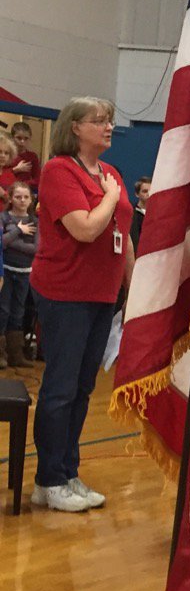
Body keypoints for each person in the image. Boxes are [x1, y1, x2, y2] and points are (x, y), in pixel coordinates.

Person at [29, 97, 134, 512]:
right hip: (64, 292)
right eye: (99, 121)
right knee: (60, 387)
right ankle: (48, 479)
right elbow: (87, 228)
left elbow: (122, 236)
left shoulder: (111, 173)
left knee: (83, 388)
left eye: (110, 120)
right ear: (74, 127)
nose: (108, 127)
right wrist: (110, 197)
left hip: (101, 295)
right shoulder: (58, 170)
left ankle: (68, 473)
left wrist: (135, 286)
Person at [1, 182, 38, 368]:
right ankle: (1, 354)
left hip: (25, 273)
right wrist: (19, 231)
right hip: (5, 271)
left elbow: (36, 248)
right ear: (10, 198)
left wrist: (11, 238)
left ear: (31, 199)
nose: (22, 200)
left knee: (18, 311)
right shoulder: (4, 217)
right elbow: (1, 242)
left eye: (26, 197)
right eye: (18, 197)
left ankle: (16, 354)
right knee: (3, 310)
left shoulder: (35, 221)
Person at [1, 122, 41, 191]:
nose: (22, 142)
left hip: (23, 192)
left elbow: (37, 179)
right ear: (12, 138)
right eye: (19, 138)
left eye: (26, 139)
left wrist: (21, 186)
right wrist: (15, 170)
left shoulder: (32, 157)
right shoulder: (5, 154)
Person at [129, 176, 151, 250]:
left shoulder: (157, 214)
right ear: (137, 194)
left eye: (151, 191)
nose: (149, 194)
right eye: (145, 191)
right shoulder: (132, 214)